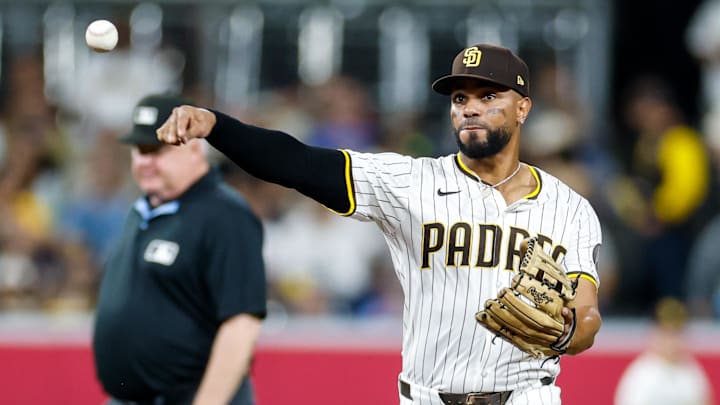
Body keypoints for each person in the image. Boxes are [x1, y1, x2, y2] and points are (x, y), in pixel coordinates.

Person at [157, 44, 603, 405]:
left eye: (488, 96)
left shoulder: (570, 208)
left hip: (527, 396)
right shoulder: (410, 182)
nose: (470, 108)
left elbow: (587, 314)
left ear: (523, 108)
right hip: (427, 397)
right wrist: (217, 126)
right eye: (460, 98)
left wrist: (568, 330)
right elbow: (298, 163)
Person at [92, 94, 267, 405]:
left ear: (195, 148)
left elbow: (241, 324)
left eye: (156, 150)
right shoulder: (142, 210)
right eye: (138, 150)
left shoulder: (225, 215)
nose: (145, 161)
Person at [614, 298, 714, 405]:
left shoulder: (693, 374)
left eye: (677, 333)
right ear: (654, 334)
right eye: (667, 333)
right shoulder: (640, 375)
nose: (673, 342)